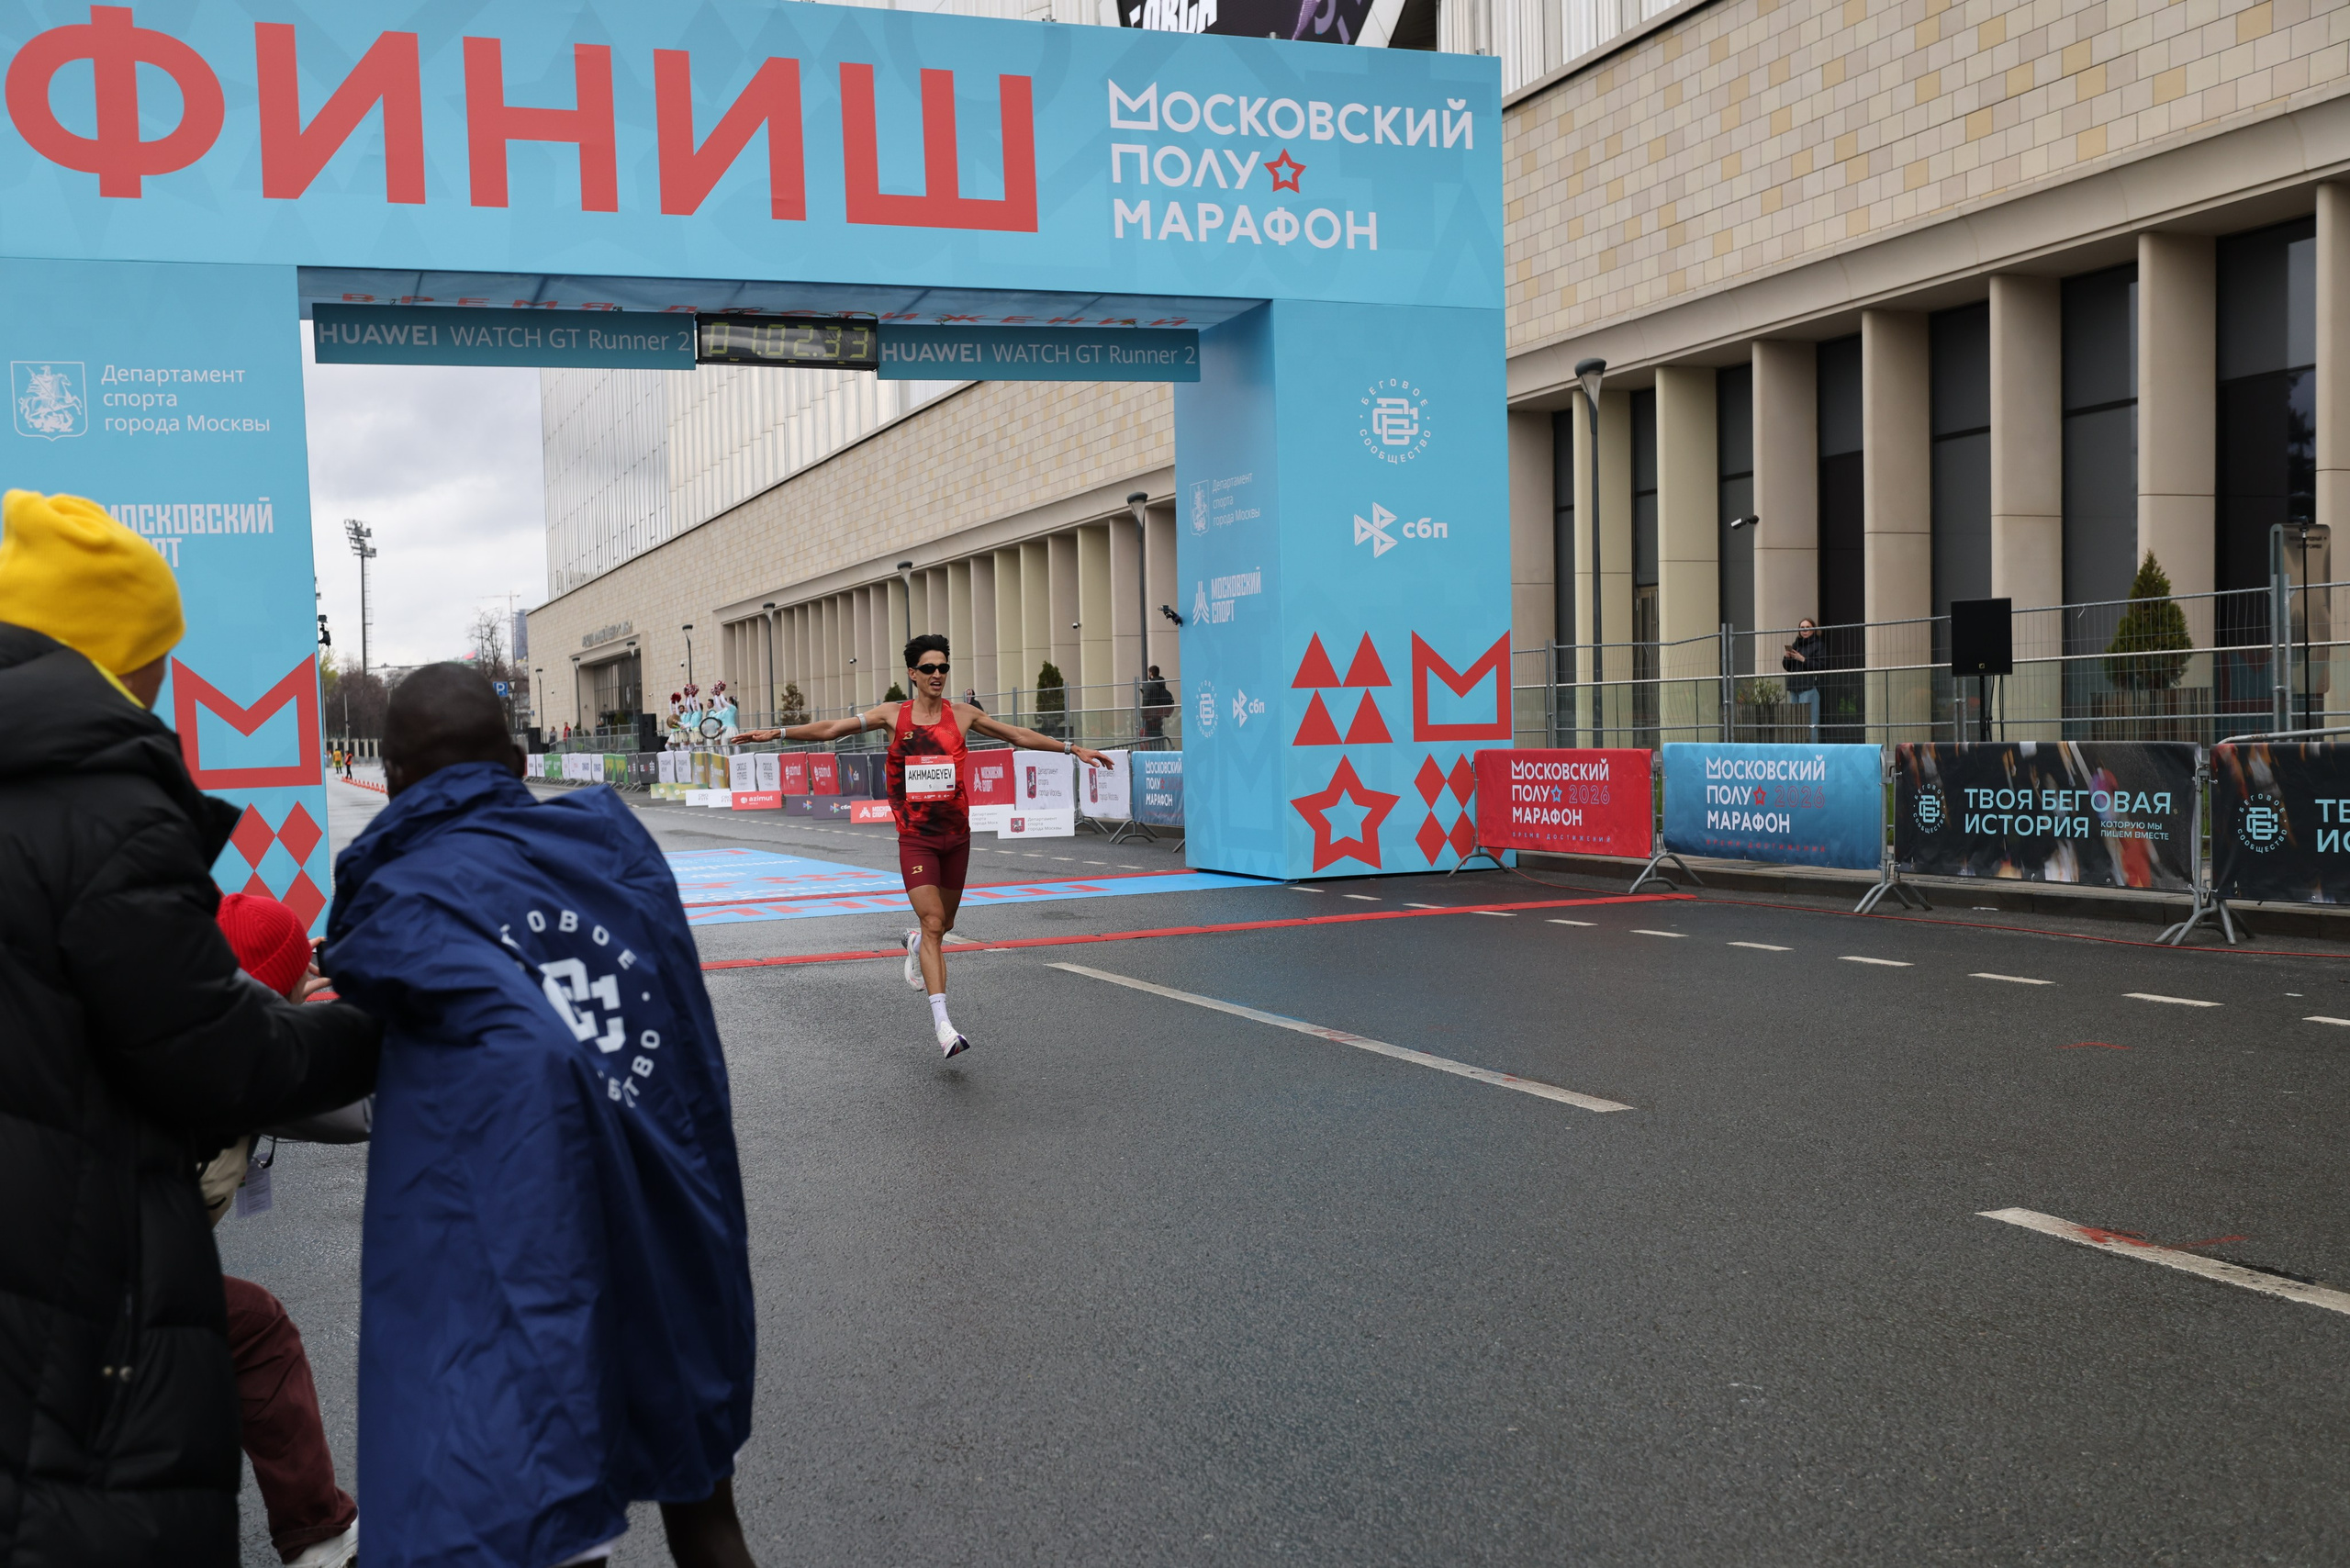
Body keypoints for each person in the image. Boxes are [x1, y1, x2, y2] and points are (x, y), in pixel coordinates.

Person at [0, 488, 381, 1568]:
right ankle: (320, 1534)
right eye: (161, 653)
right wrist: (370, 1026)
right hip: (69, 1255)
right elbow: (215, 1056)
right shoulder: (100, 800)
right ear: (122, 658)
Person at [323, 663, 756, 1568]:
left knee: (541, 1513)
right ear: (518, 761)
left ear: (393, 777)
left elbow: (375, 1003)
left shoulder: (407, 895)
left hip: (527, 1238)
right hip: (665, 1201)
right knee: (705, 1508)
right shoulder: (615, 852)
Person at [783, 634, 1113, 1057]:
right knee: (934, 922)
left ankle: (916, 943)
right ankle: (944, 1027)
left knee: (943, 925)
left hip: (957, 837)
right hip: (916, 838)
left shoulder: (963, 715)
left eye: (944, 668)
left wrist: (1074, 749)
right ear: (912, 673)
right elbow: (831, 729)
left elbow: (1017, 735)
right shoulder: (892, 715)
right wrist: (774, 732)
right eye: (929, 669)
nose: (938, 675)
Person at [210, 892, 362, 1568]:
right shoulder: (243, 1061)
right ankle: (319, 1537)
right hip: (75, 1278)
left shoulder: (160, 1023)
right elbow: (361, 1112)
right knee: (256, 1331)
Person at [1781, 617, 1825, 739]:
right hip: (1794, 687)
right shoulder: (1796, 645)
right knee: (1795, 722)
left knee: (1810, 723)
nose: (1804, 630)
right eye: (1802, 628)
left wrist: (1803, 659)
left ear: (1814, 630)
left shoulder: (1818, 645)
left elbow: (1821, 666)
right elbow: (1788, 667)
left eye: (1808, 628)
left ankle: (1812, 750)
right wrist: (1787, 658)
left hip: (1808, 687)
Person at [1139, 664, 1174, 739]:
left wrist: (1143, 714)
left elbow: (1145, 701)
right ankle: (1160, 749)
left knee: (1150, 737)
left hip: (1150, 717)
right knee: (1158, 735)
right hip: (1159, 717)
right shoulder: (1162, 685)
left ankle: (1153, 749)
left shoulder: (1149, 685)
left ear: (1151, 673)